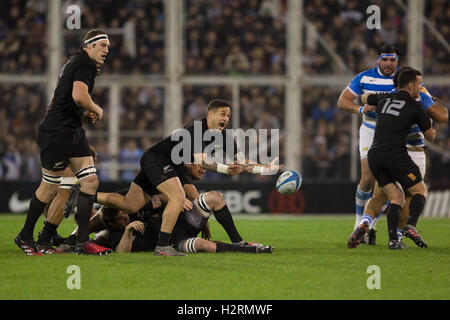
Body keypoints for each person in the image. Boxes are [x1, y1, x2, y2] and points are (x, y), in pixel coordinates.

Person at [66, 99, 281, 256]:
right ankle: (162, 247)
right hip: (157, 159)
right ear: (210, 115)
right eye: (222, 114)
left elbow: (241, 162)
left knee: (130, 205)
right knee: (178, 198)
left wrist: (266, 169)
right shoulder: (195, 130)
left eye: (228, 115)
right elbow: (200, 160)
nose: (226, 118)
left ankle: (86, 194)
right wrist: (226, 169)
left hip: (163, 164)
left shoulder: (227, 138)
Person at [14, 29, 112, 255]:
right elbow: (79, 96)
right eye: (103, 45)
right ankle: (25, 236)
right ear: (89, 45)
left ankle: (81, 242)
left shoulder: (73, 64)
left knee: (90, 181)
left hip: (71, 130)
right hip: (59, 133)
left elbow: (60, 97)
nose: (107, 50)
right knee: (50, 187)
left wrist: (81, 114)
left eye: (108, 47)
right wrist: (96, 109)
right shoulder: (86, 64)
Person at [349, 67, 448, 249]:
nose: (422, 86)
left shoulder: (385, 97)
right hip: (404, 153)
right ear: (410, 85)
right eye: (419, 83)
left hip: (377, 151)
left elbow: (364, 97)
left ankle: (365, 223)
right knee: (415, 194)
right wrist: (429, 112)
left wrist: (365, 105)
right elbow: (438, 123)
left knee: (387, 196)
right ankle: (403, 232)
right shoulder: (418, 102)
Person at [337, 44, 399, 244]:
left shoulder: (403, 80)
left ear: (397, 61)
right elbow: (343, 101)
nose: (388, 63)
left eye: (392, 60)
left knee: (386, 184)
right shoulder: (364, 77)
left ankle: (371, 227)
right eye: (385, 59)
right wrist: (361, 109)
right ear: (378, 60)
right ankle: (358, 225)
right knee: (367, 177)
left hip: (395, 134)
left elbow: (419, 95)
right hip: (371, 129)